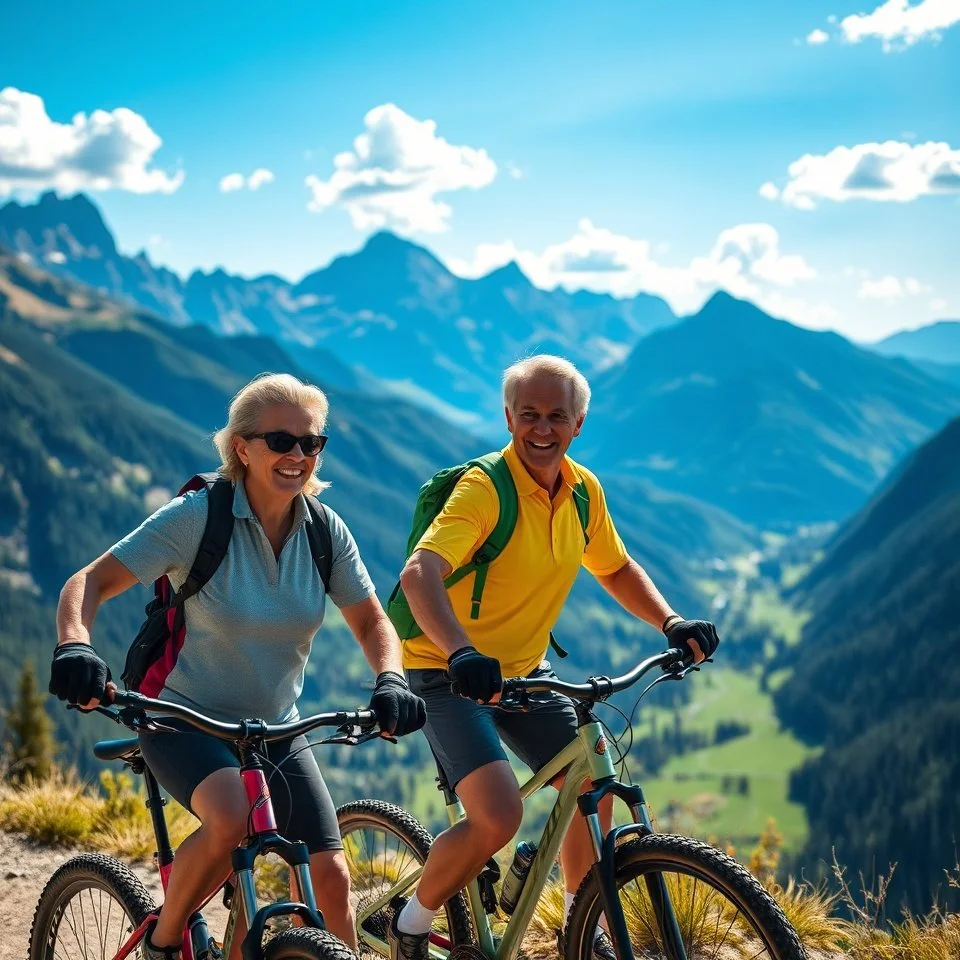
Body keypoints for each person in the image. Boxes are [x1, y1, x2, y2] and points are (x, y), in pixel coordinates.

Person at [49, 373, 426, 960]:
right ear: (241, 447)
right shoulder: (196, 518)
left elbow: (374, 622)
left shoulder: (325, 531)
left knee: (332, 879)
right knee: (230, 820)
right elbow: (89, 581)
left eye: (311, 443)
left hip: (274, 724)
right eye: (280, 440)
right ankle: (164, 940)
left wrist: (391, 678)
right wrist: (75, 644)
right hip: (180, 716)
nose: (297, 455)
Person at [392, 355, 720, 960]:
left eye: (556, 416)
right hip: (446, 671)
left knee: (590, 790)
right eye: (529, 415)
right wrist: (461, 651)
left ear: (579, 423)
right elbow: (420, 574)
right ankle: (411, 923)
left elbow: (615, 567)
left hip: (523, 670)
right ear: (508, 417)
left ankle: (580, 922)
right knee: (497, 817)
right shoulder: (485, 488)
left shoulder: (582, 491)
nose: (542, 428)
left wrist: (670, 621)